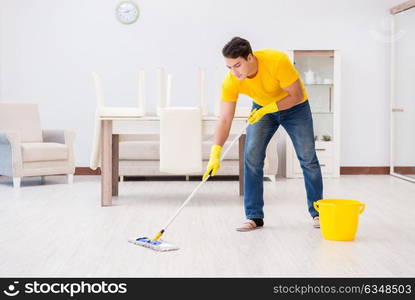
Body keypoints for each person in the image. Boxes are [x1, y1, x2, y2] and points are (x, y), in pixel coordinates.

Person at [203, 37, 323, 231]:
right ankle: (254, 216)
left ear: (250, 57)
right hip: (262, 108)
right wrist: (215, 152)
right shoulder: (231, 81)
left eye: (237, 65)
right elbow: (225, 118)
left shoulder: (276, 61)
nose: (234, 72)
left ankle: (318, 212)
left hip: (295, 107)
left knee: (308, 158)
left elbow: (297, 95)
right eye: (229, 67)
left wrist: (269, 109)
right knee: (252, 157)